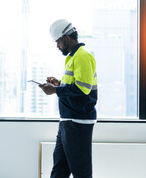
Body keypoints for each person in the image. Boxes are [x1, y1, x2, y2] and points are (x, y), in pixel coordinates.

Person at [40, 19, 98, 178]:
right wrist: (57, 85)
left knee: (81, 172)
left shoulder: (82, 56)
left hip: (78, 121)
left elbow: (82, 88)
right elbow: (74, 85)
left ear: (66, 38)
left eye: (58, 42)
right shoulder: (73, 57)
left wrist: (56, 91)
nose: (57, 46)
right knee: (60, 168)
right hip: (68, 120)